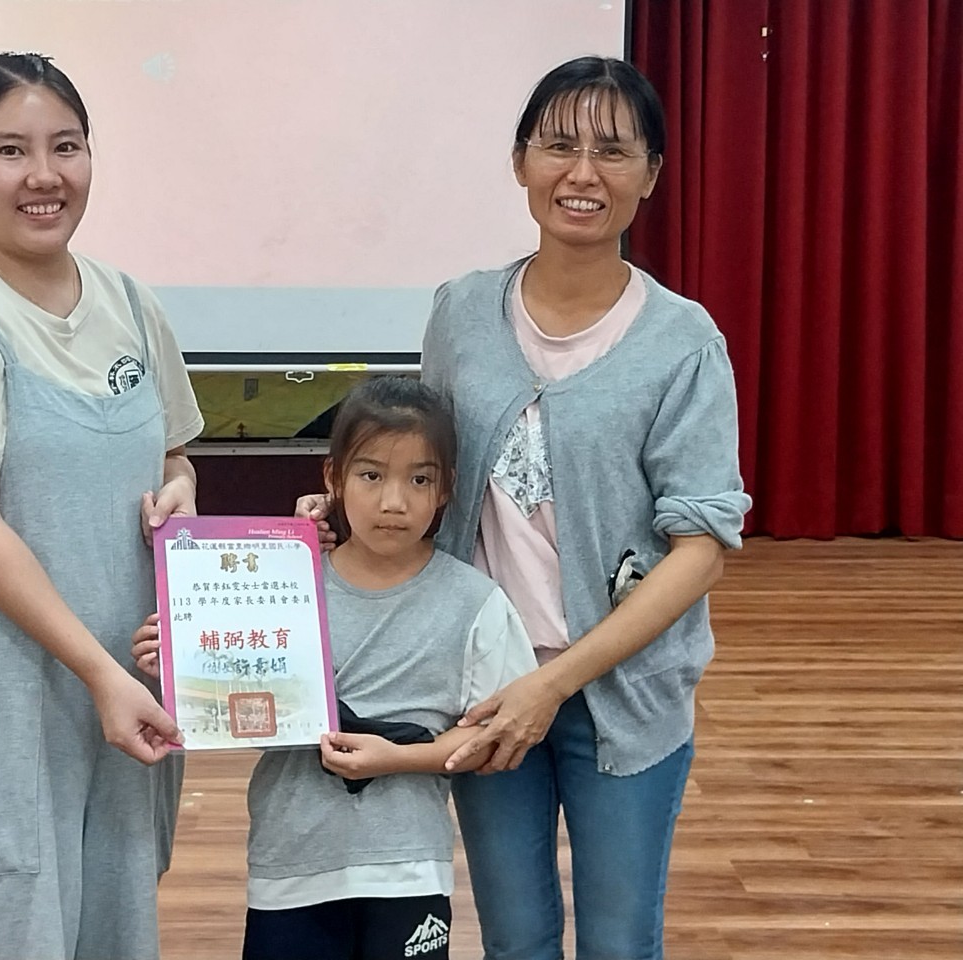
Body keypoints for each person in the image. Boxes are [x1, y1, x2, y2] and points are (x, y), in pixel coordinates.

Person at [299, 57, 752, 960]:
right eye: (559, 146)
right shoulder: (463, 312)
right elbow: (422, 469)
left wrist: (553, 684)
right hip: (482, 684)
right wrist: (346, 512)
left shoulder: (683, 341)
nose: (583, 173)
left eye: (613, 151)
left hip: (625, 696)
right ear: (520, 162)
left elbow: (700, 547)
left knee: (620, 941)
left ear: (651, 175)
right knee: (514, 937)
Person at [0, 53, 204, 960]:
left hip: (128, 673)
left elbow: (172, 452)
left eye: (66, 146)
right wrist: (98, 675)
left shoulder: (131, 304)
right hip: (3, 683)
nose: (44, 175)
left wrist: (180, 488)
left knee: (114, 911)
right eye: (10, 151)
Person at [133, 377, 536, 960]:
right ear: (334, 478)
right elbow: (247, 714)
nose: (394, 501)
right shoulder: (279, 587)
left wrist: (399, 758)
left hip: (407, 870)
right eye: (371, 475)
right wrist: (183, 668)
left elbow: (495, 735)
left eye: (419, 479)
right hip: (290, 865)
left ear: (446, 487)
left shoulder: (477, 603)